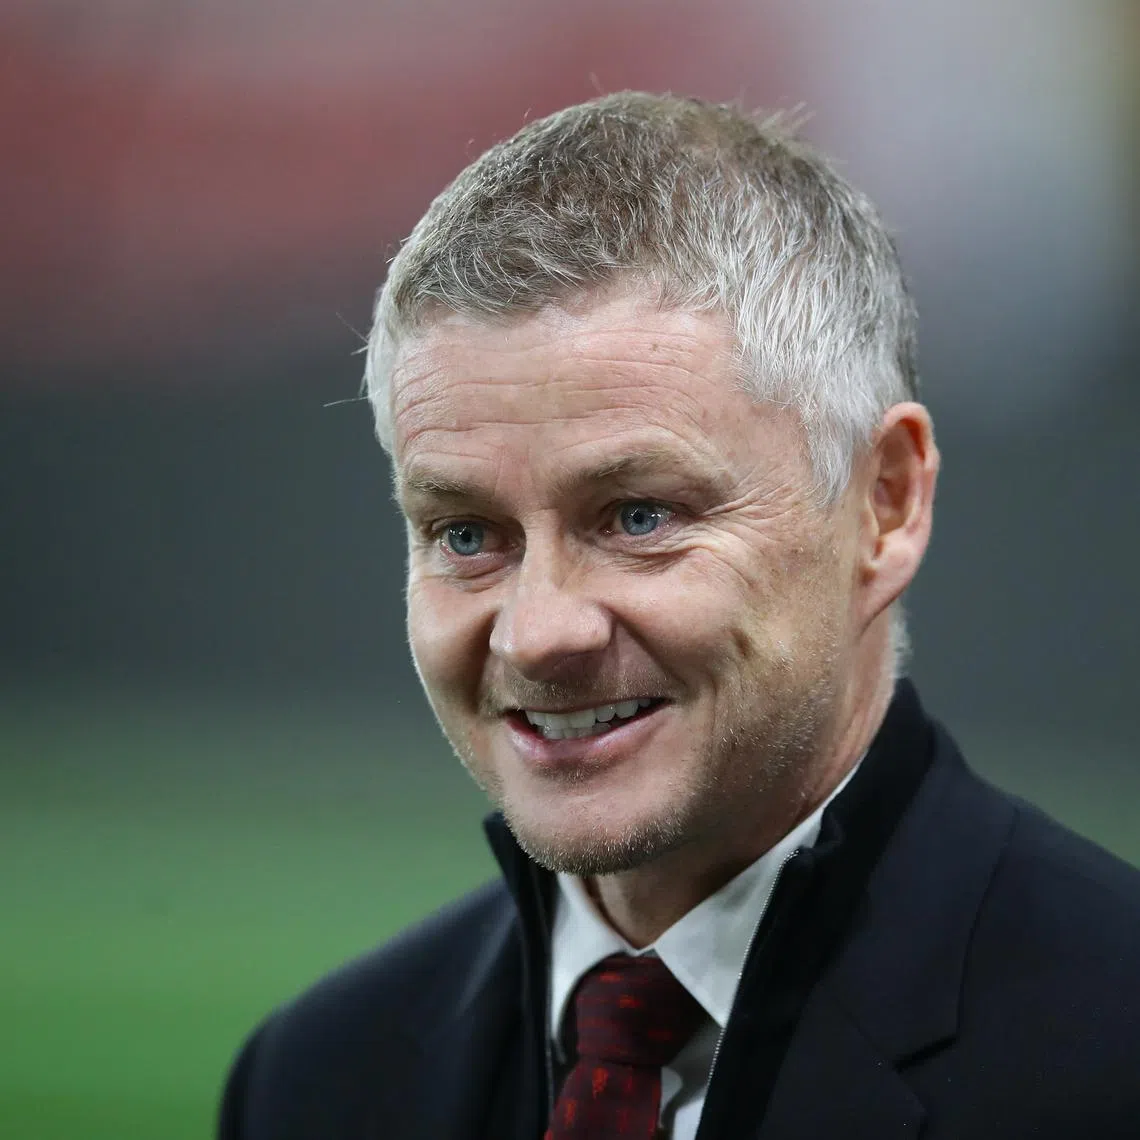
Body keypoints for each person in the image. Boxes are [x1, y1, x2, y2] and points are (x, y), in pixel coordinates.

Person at [218, 93, 1140, 1139]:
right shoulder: (314, 1085)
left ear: (884, 504)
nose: (536, 633)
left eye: (638, 516)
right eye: (466, 534)